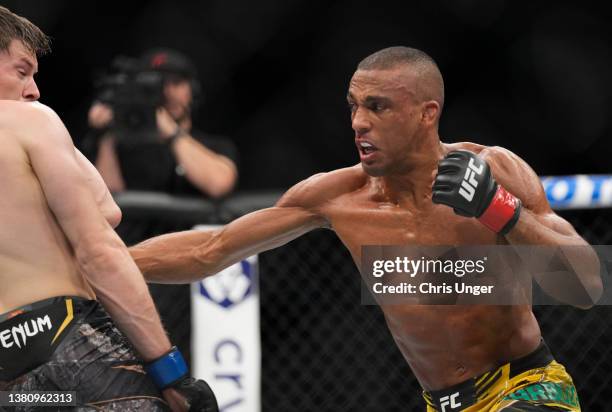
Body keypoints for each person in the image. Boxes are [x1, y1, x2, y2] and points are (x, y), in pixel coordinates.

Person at [129, 46, 602, 411]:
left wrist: (502, 213)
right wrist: (102, 264)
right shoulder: (338, 198)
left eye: (378, 107)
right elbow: (211, 248)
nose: (359, 122)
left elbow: (585, 285)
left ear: (427, 113)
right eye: (354, 105)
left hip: (527, 386)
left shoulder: (492, 169)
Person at [0, 6, 217, 411]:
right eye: (22, 71)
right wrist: (172, 374)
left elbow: (107, 206)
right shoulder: (31, 122)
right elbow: (102, 239)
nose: (34, 89)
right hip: (68, 345)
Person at [88, 48, 238, 198]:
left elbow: (219, 184)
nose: (168, 93)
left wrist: (171, 132)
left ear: (192, 90)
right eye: (156, 86)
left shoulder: (214, 145)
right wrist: (108, 135)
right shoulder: (124, 146)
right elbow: (106, 199)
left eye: (176, 82)